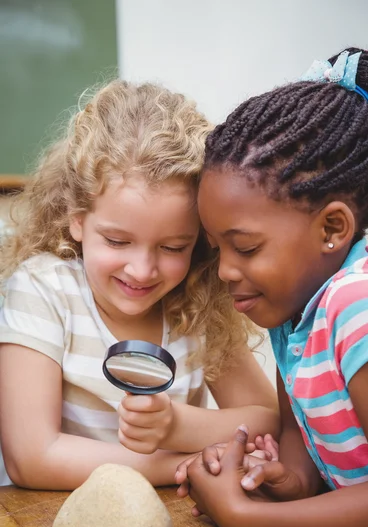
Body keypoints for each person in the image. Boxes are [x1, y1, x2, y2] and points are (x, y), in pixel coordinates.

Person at [0, 80, 279, 489]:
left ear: (200, 239)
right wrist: (185, 464)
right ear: (77, 217)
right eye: (117, 241)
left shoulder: (198, 301)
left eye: (172, 246)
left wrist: (177, 426)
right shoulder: (43, 290)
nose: (143, 270)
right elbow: (32, 458)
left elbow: (270, 422)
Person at [183, 47, 368, 527]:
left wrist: (249, 519)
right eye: (217, 250)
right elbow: (305, 465)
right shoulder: (295, 316)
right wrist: (269, 479)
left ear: (332, 228)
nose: (225, 271)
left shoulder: (359, 309)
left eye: (246, 247)